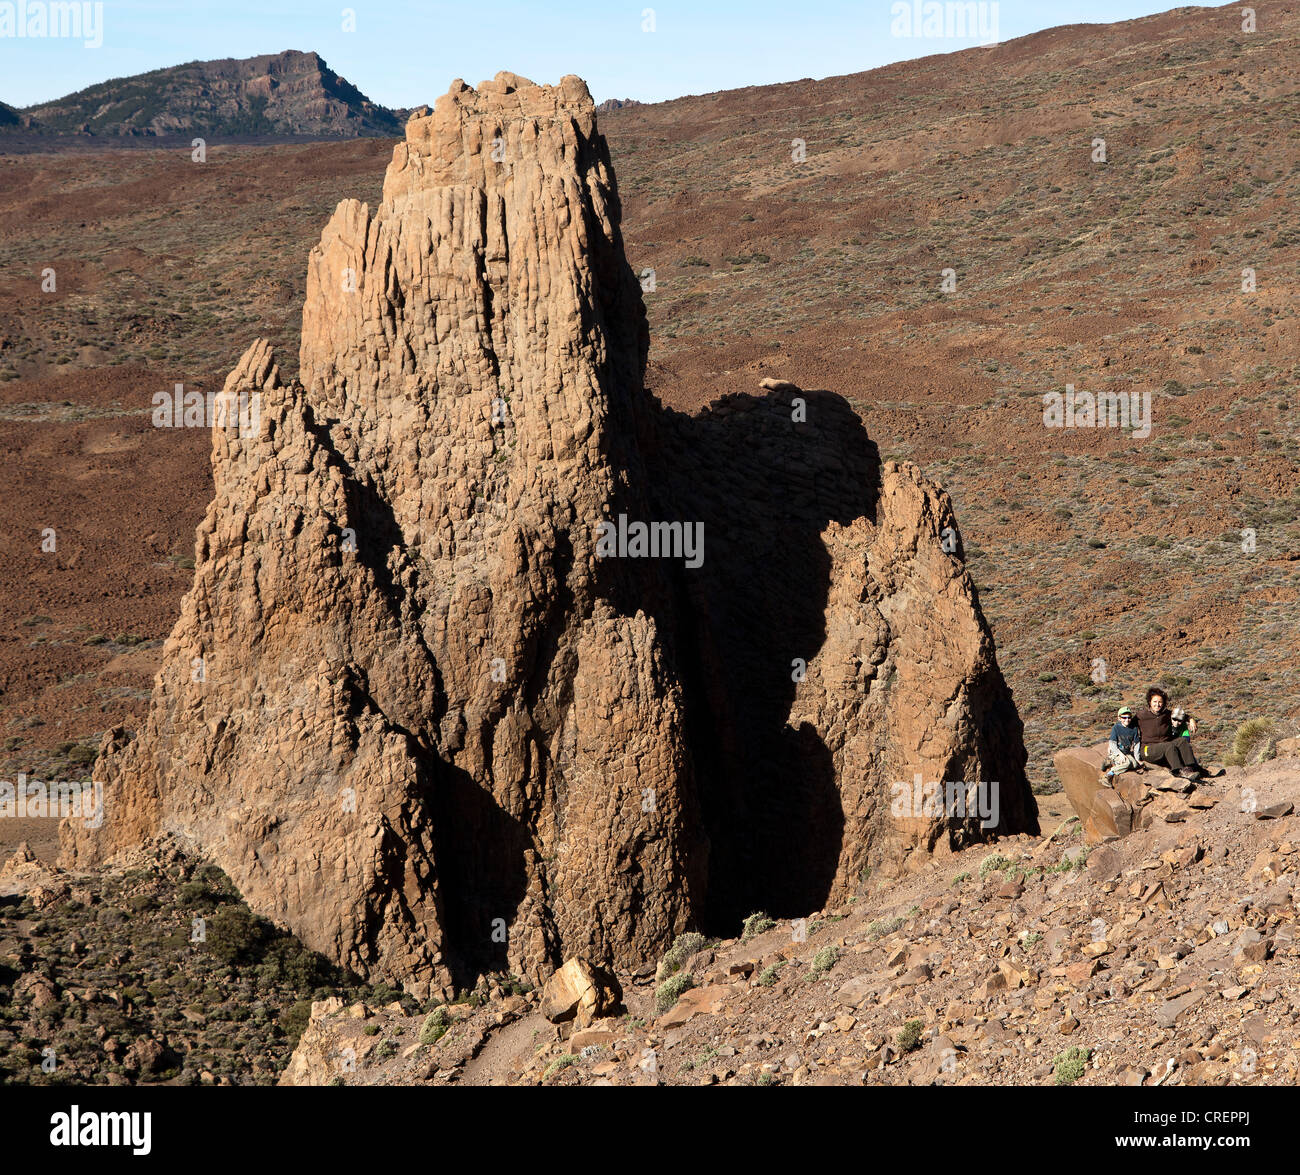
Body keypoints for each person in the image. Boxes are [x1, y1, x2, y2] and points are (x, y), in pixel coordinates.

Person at [1135, 686, 1221, 779]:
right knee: (1169, 746)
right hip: (1148, 749)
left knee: (1181, 741)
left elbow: (1182, 715)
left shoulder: (1166, 714)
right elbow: (1127, 723)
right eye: (1154, 702)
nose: (1157, 704)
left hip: (1164, 746)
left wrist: (1191, 719)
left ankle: (1192, 767)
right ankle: (1178, 771)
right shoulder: (1141, 715)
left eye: (1160, 702)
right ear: (1149, 702)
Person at [1103, 706, 1144, 783]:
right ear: (1119, 718)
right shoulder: (1116, 728)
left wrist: (1137, 758)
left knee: (1135, 764)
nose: (1127, 720)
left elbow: (1136, 744)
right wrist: (1120, 754)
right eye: (1124, 717)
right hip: (1116, 752)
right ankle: (1108, 775)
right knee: (1127, 763)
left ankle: (1110, 762)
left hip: (1126, 752)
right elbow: (1112, 744)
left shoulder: (1134, 729)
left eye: (1129, 717)